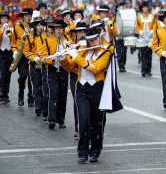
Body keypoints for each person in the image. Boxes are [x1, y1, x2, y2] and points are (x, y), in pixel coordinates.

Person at [63, 27, 113, 163]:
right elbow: (71, 67)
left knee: (97, 122)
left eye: (96, 39)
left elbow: (94, 68)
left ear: (100, 37)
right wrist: (64, 59)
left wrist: (76, 56)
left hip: (97, 89)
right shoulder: (84, 51)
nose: (94, 43)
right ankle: (82, 152)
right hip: (81, 89)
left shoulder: (106, 51)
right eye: (91, 41)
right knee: (83, 121)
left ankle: (95, 151)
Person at [41, 19, 70, 129]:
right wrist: (51, 60)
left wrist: (65, 59)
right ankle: (52, 119)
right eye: (57, 28)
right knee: (53, 94)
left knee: (63, 95)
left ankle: (61, 119)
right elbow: (42, 57)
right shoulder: (48, 41)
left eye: (60, 28)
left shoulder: (67, 41)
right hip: (52, 70)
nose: (59, 30)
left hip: (64, 70)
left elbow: (71, 54)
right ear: (53, 30)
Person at [11, 7, 34, 107]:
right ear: (23, 17)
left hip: (31, 55)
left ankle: (30, 98)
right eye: (26, 15)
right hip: (21, 56)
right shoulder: (17, 27)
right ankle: (21, 95)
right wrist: (15, 51)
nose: (28, 17)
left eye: (29, 15)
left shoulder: (34, 27)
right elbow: (12, 41)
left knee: (31, 78)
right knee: (23, 75)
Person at [23, 17, 44, 116]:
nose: (41, 27)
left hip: (44, 64)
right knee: (36, 86)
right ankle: (38, 106)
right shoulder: (29, 36)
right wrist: (33, 58)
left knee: (44, 87)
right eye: (39, 25)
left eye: (42, 25)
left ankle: (44, 106)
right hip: (34, 64)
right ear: (35, 27)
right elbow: (26, 51)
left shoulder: (46, 37)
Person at [136, 2, 155, 77]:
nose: (145, 9)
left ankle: (149, 70)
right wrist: (140, 32)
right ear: (142, 9)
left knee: (149, 55)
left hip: (150, 38)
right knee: (143, 55)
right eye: (144, 8)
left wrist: (152, 31)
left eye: (146, 7)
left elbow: (154, 25)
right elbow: (137, 27)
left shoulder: (152, 16)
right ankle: (143, 70)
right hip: (142, 38)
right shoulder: (139, 17)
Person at [0, 11, 13, 102]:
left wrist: (9, 31)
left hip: (9, 52)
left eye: (6, 18)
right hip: (1, 52)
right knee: (3, 73)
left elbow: (13, 39)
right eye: (3, 18)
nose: (4, 20)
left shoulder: (11, 28)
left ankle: (6, 94)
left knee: (8, 74)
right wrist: (1, 31)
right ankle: (1, 93)